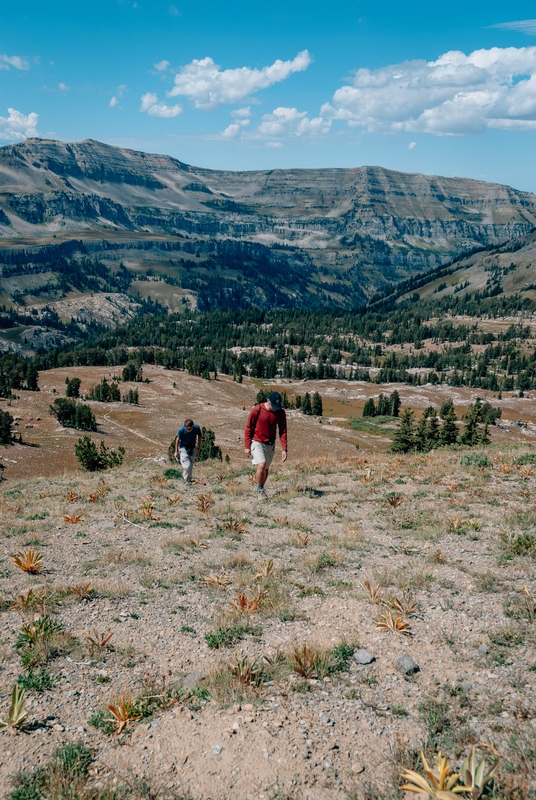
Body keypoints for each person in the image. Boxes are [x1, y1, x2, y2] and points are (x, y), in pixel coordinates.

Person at [244, 391, 287, 499]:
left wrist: (284, 449)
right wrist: (247, 446)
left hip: (270, 444)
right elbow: (248, 428)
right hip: (257, 442)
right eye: (274, 405)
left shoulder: (280, 412)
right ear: (268, 401)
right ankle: (259, 490)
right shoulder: (257, 410)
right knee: (262, 465)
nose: (275, 408)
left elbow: (283, 431)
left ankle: (262, 487)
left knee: (266, 469)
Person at [174, 418, 202, 484]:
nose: (188, 430)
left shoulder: (196, 428)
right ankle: (187, 481)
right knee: (188, 465)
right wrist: (176, 451)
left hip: (192, 447)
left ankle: (187, 478)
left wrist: (198, 448)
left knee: (191, 464)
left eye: (190, 429)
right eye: (187, 429)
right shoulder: (181, 430)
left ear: (193, 426)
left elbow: (200, 436)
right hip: (183, 447)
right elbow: (177, 440)